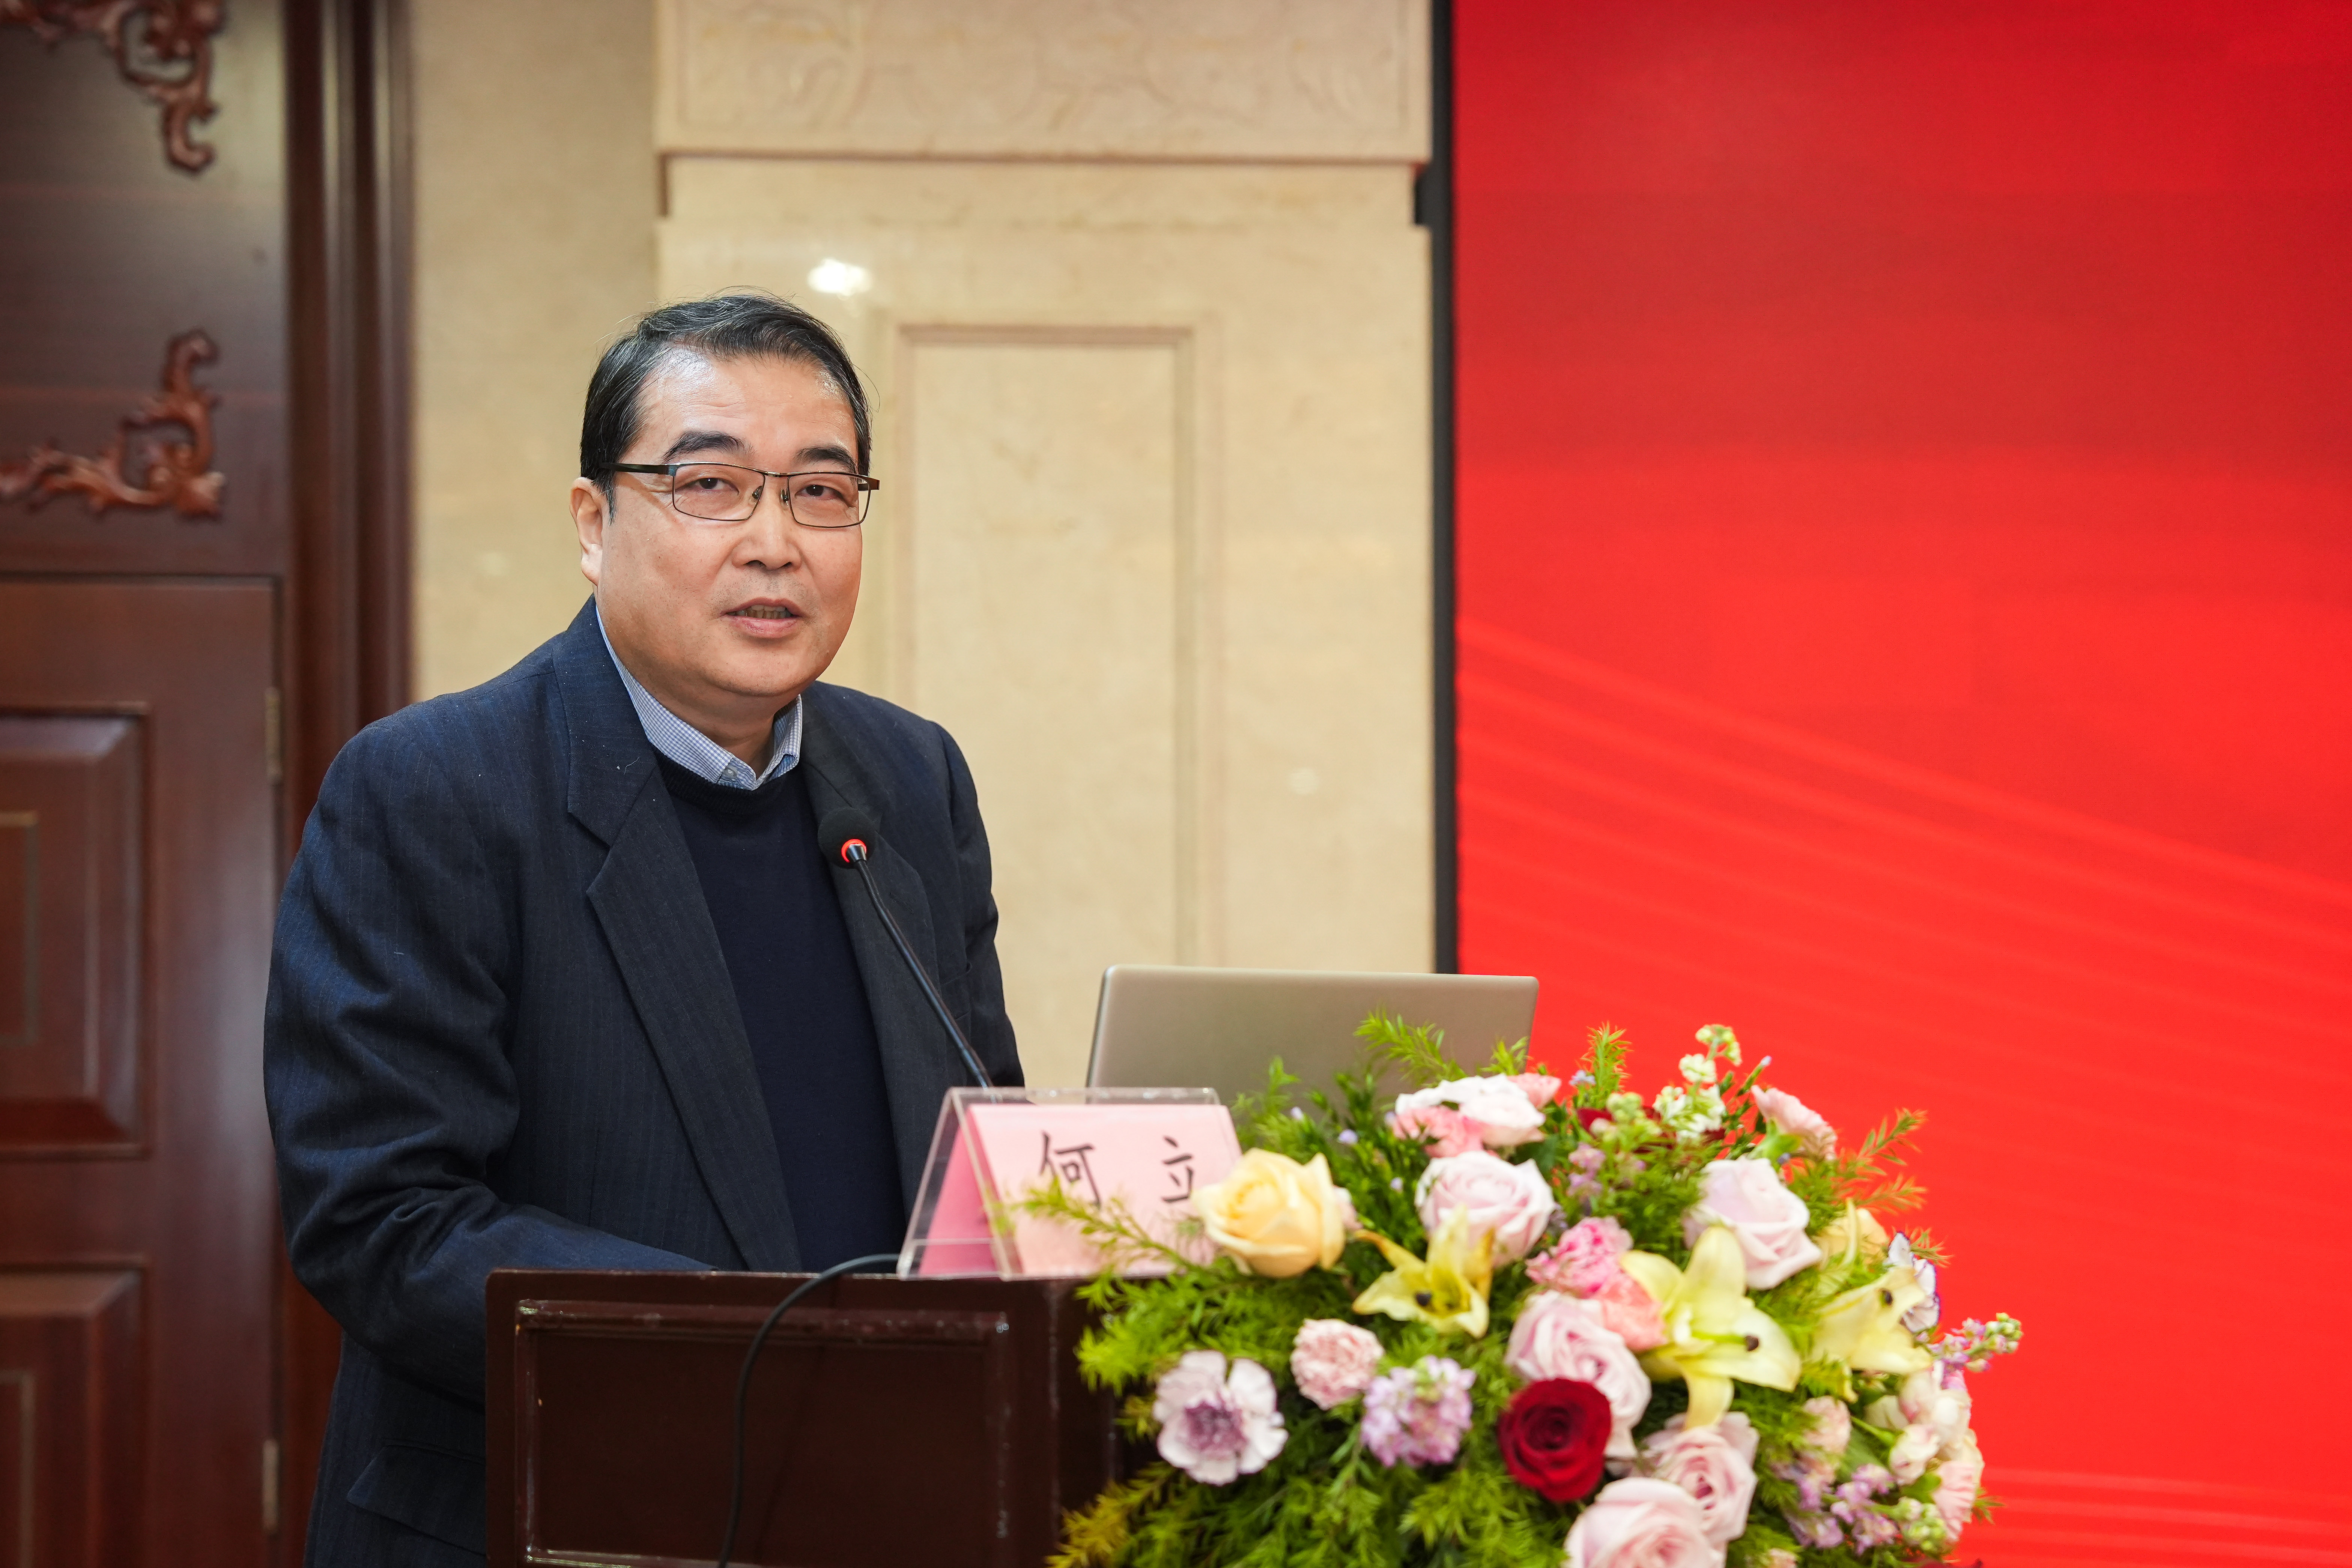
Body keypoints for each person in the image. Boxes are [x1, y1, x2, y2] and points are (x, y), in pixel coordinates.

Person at [265, 292, 1022, 1567]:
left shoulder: (909, 779)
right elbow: (384, 1220)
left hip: (885, 1506)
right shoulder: (434, 786)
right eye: (710, 485)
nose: (775, 543)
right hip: (556, 1513)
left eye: (821, 492)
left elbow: (979, 1147)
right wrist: (774, 1349)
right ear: (592, 522)